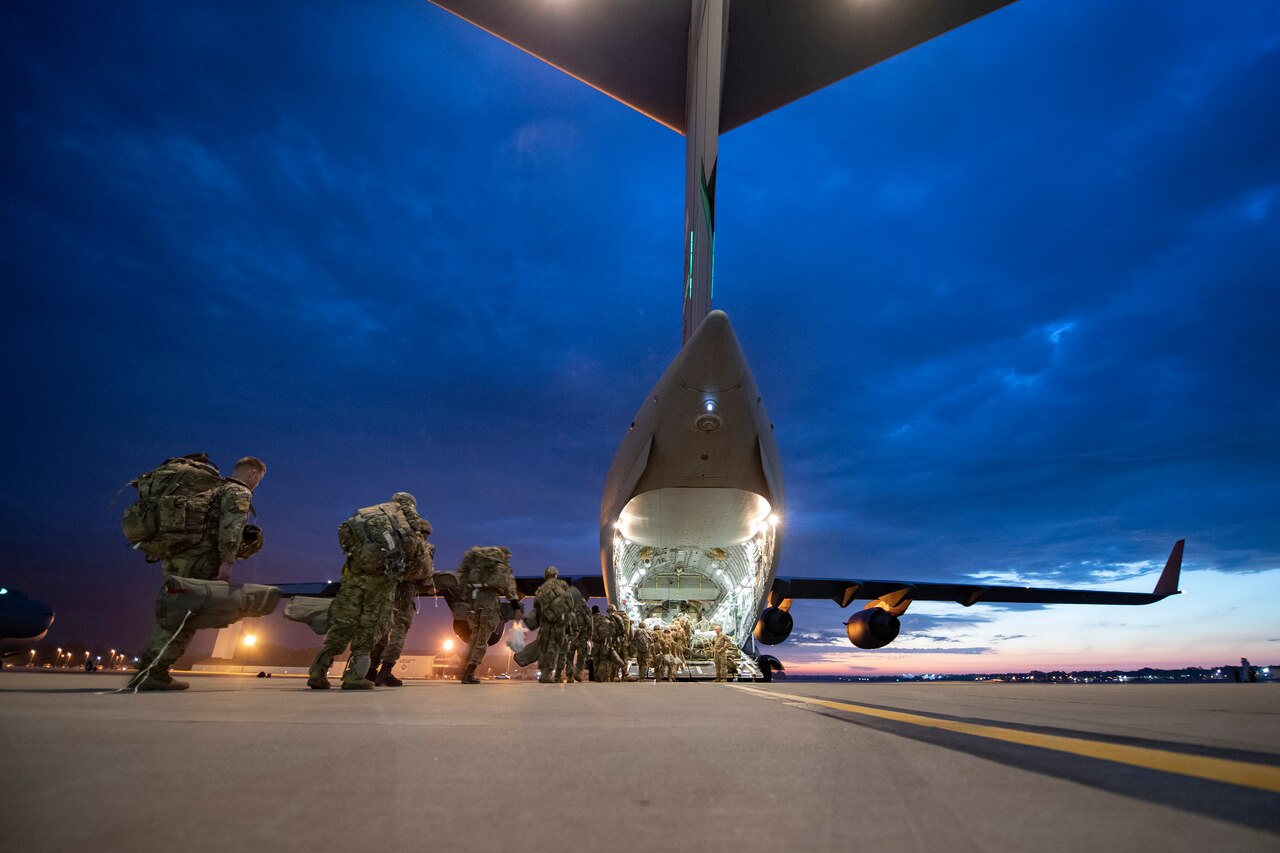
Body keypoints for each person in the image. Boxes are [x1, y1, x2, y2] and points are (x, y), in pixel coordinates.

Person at [128, 456, 266, 691]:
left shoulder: (214, 489)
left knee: (172, 611)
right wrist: (227, 562)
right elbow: (231, 529)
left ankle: (149, 667)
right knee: (188, 614)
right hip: (200, 561)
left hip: (176, 556)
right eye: (259, 480)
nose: (257, 484)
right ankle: (156, 671)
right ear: (253, 474)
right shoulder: (238, 492)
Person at [307, 492, 425, 690]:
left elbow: (346, 537)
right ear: (410, 504)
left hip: (353, 578)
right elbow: (416, 555)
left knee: (342, 623)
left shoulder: (367, 513)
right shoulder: (405, 519)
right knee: (372, 625)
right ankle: (355, 676)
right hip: (381, 582)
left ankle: (318, 671)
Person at [368, 518, 435, 686]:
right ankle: (385, 671)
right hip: (404, 596)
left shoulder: (394, 544)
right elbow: (425, 573)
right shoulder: (425, 549)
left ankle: (370, 670)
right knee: (399, 633)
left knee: (380, 632)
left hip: (385, 592)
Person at [458, 546, 521, 684]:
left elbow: (463, 580)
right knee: (482, 638)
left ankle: (464, 666)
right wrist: (516, 608)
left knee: (475, 635)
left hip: (474, 600)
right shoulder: (503, 568)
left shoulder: (481, 566)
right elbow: (510, 591)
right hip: (490, 602)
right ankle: (469, 671)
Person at [532, 566, 572, 683]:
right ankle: (547, 674)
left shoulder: (540, 589)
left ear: (545, 575)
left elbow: (537, 608)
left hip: (546, 620)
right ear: (556, 574)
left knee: (544, 645)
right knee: (554, 646)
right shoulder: (562, 584)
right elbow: (569, 601)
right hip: (559, 620)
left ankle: (544, 671)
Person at [566, 589, 591, 682]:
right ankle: (578, 672)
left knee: (569, 656)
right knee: (582, 656)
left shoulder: (567, 606)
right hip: (582, 636)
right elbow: (589, 620)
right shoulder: (583, 605)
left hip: (571, 636)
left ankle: (569, 676)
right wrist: (590, 634)